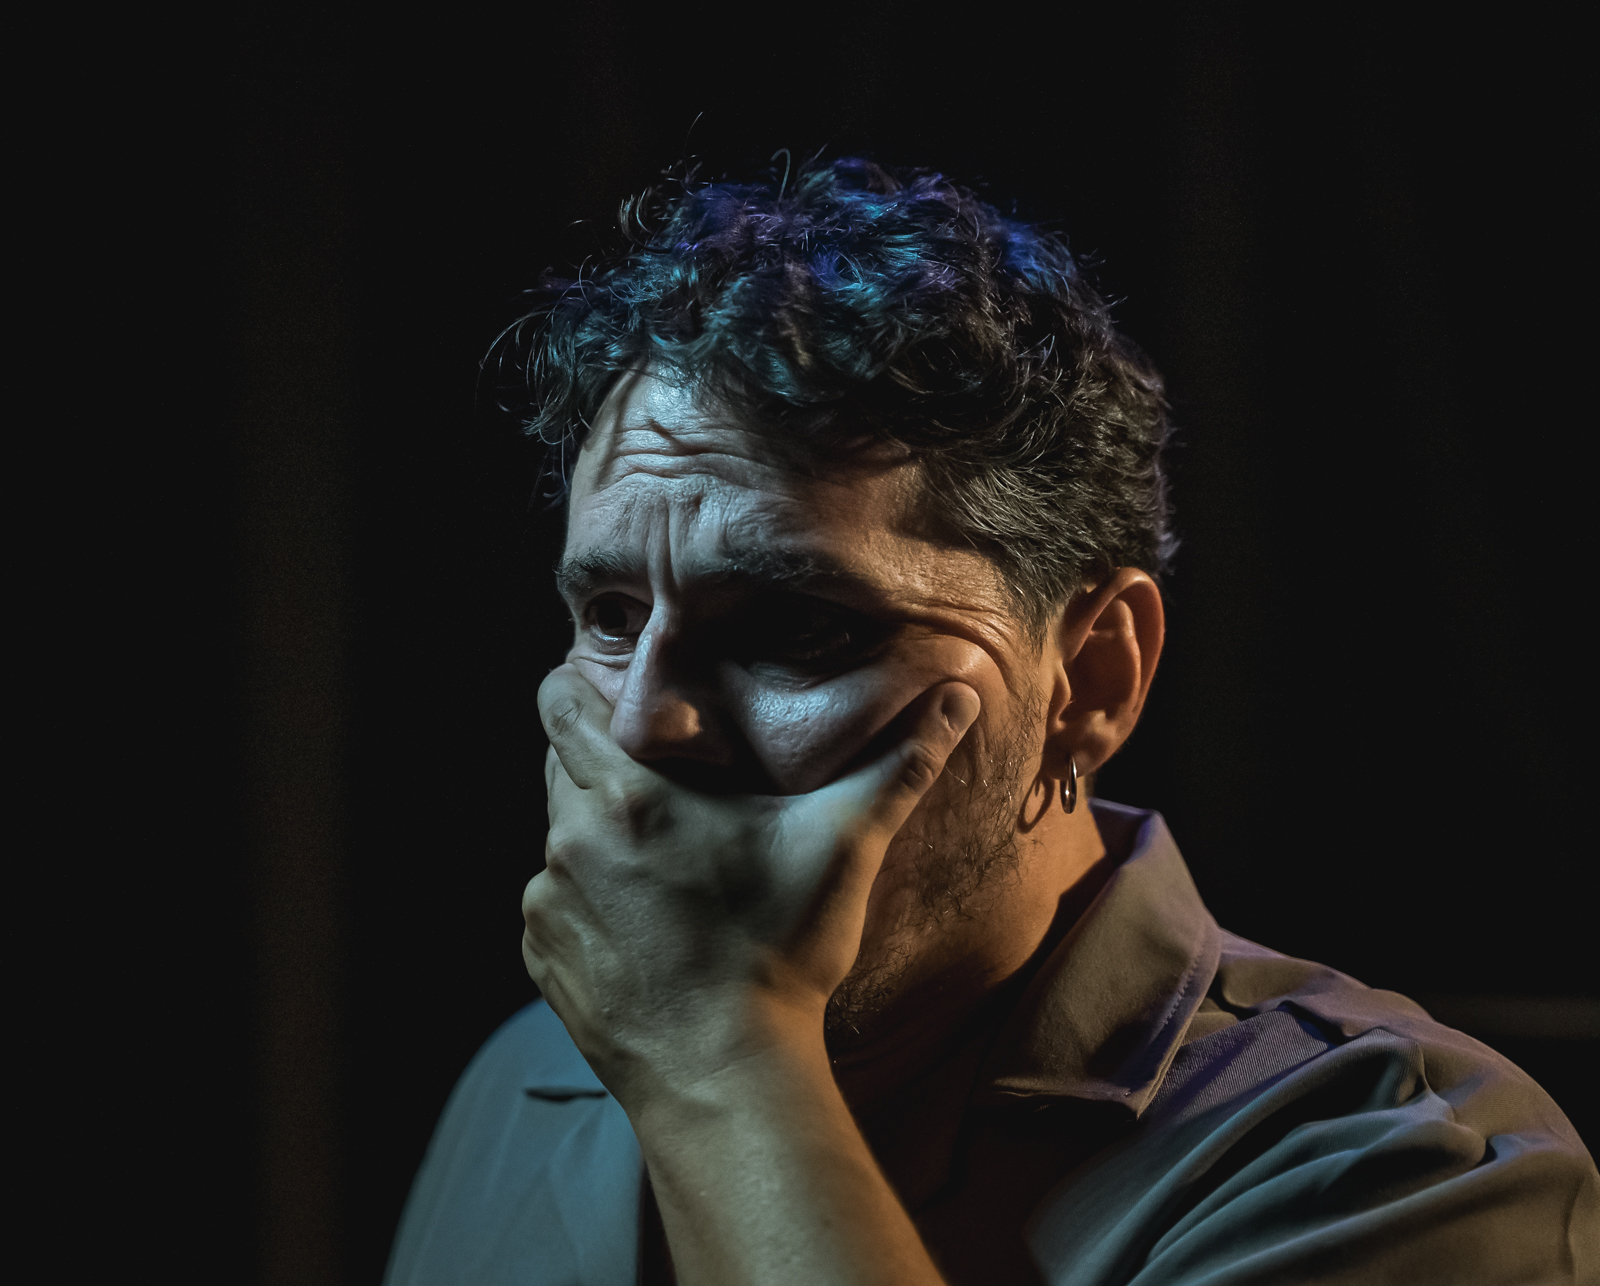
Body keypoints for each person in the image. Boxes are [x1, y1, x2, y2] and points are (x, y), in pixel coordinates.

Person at [383, 159, 1598, 1284]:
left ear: (1091, 678)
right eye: (608, 613)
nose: (648, 725)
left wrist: (714, 1056)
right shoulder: (528, 1076)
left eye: (798, 626)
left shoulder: (1402, 1170)